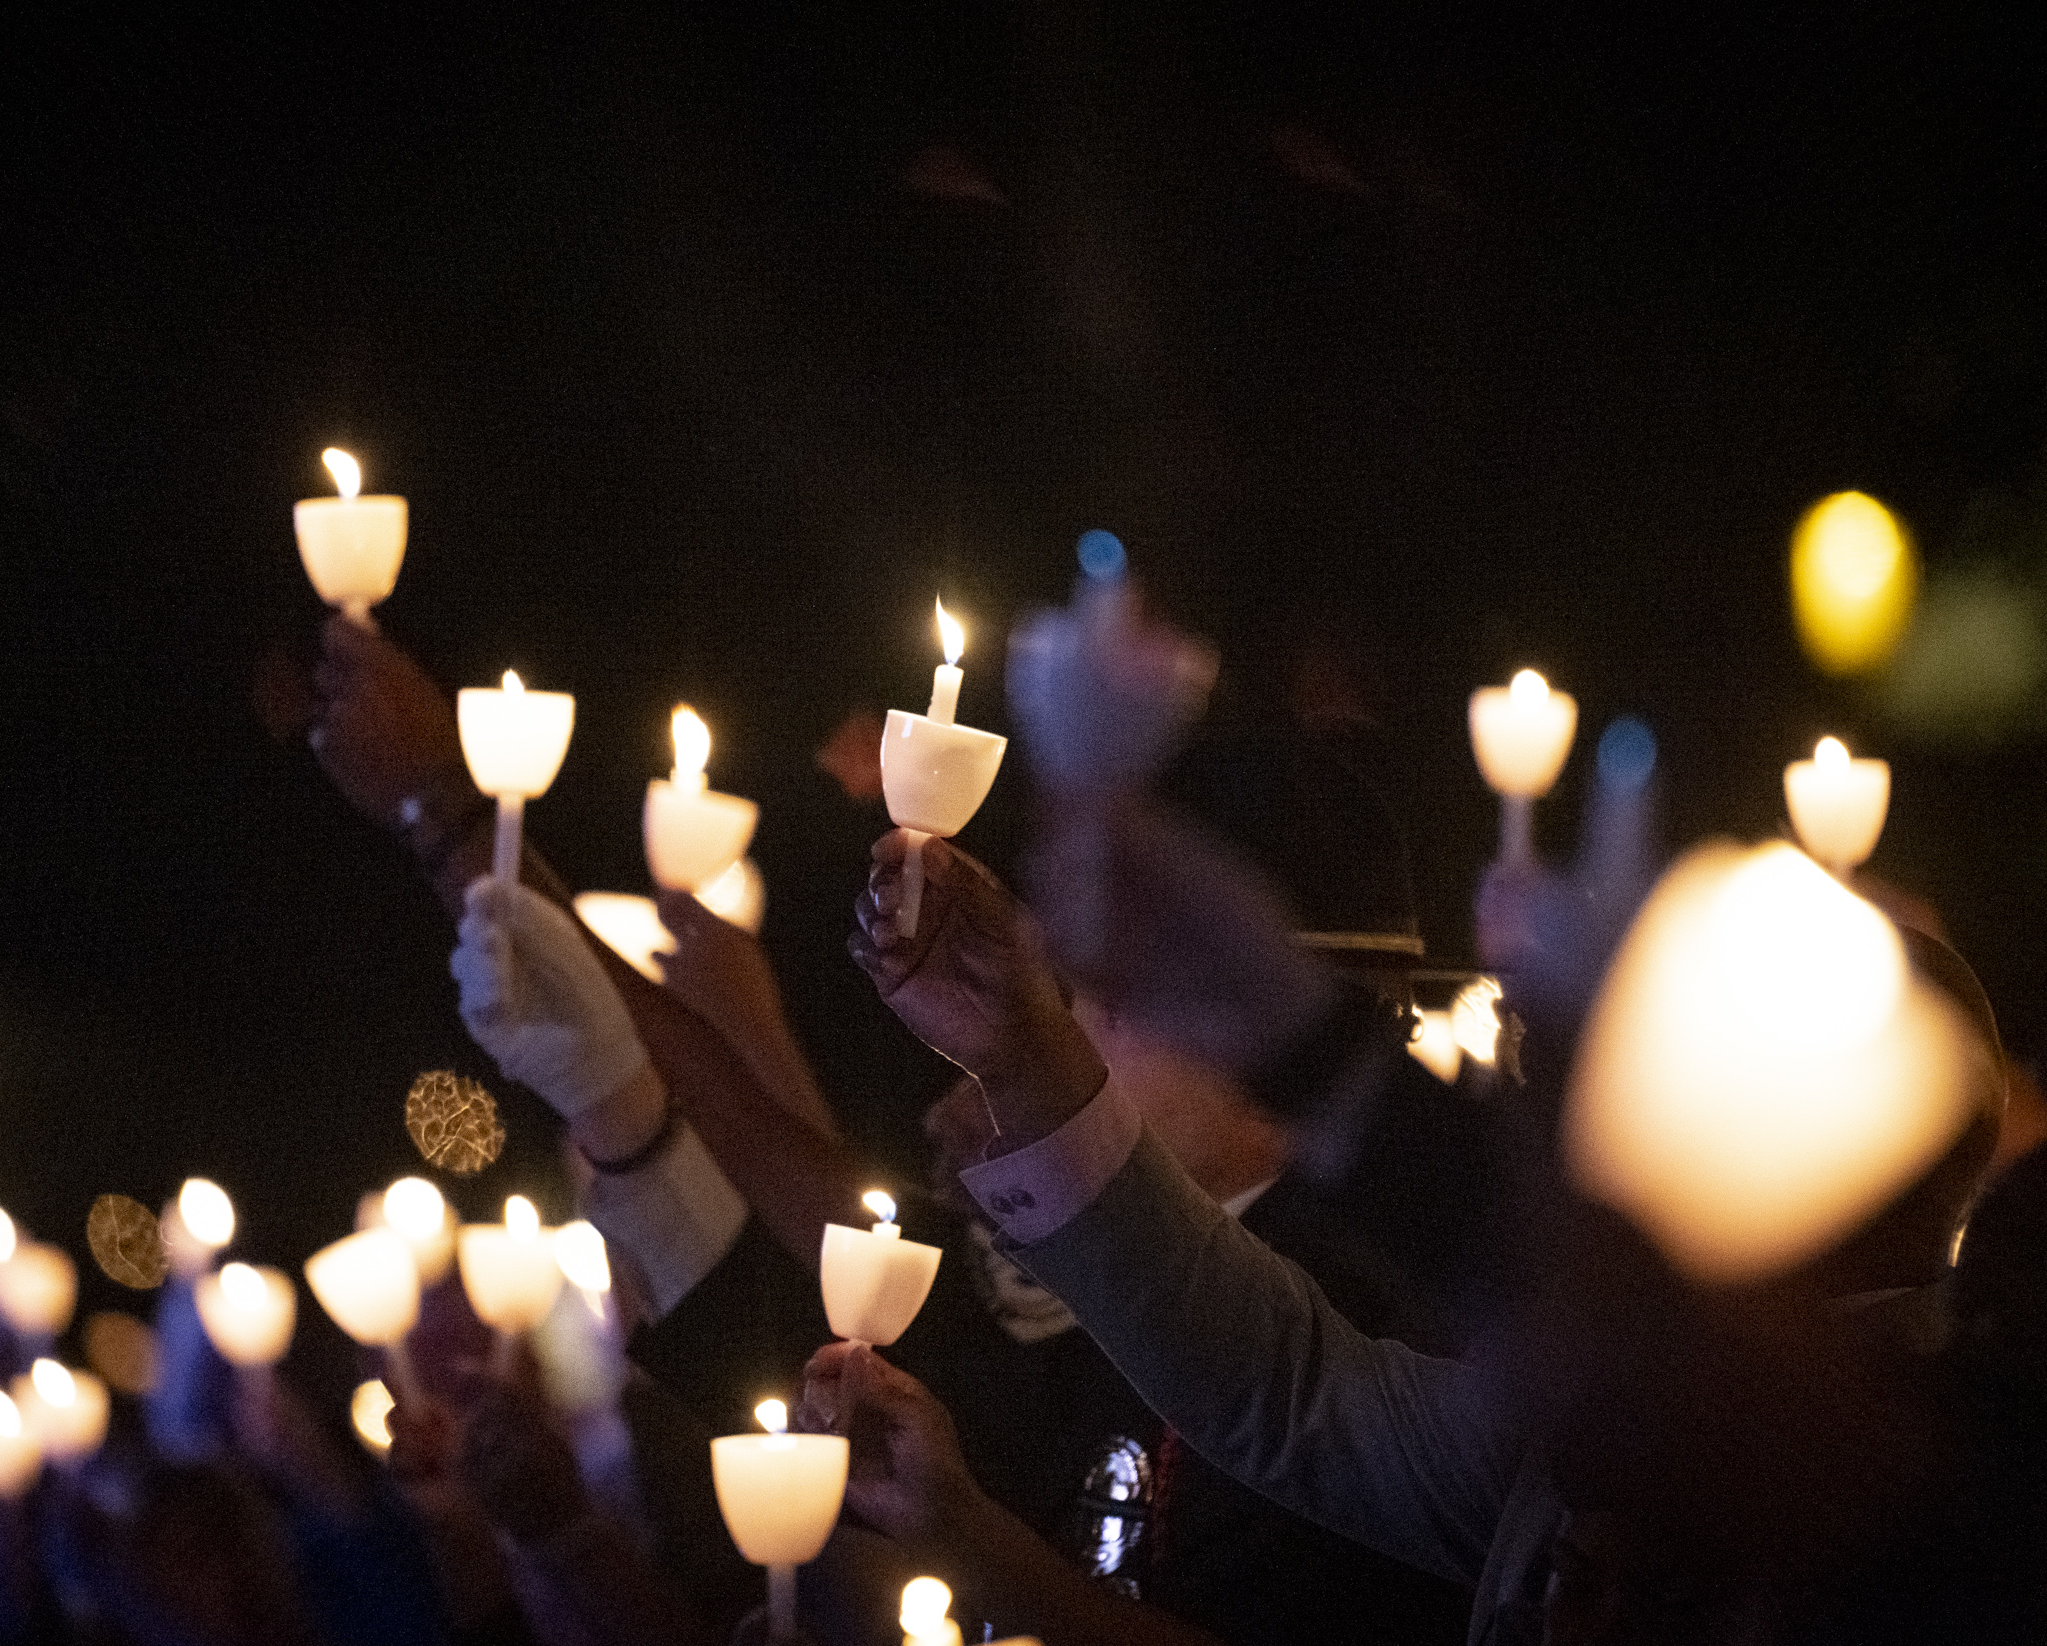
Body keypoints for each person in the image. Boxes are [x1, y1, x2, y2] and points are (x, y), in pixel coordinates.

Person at [841, 578, 2016, 1642]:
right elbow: (1291, 1390)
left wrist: (1297, 1041)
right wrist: (1029, 1051)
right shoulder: (1572, 1423)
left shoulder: (1947, 1515)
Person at [312, 614, 1472, 1643]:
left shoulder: (1382, 1316)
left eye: (1127, 975)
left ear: (1253, 1010)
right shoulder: (1115, 1280)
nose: (1077, 1003)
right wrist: (598, 1062)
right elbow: (796, 1222)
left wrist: (453, 820)